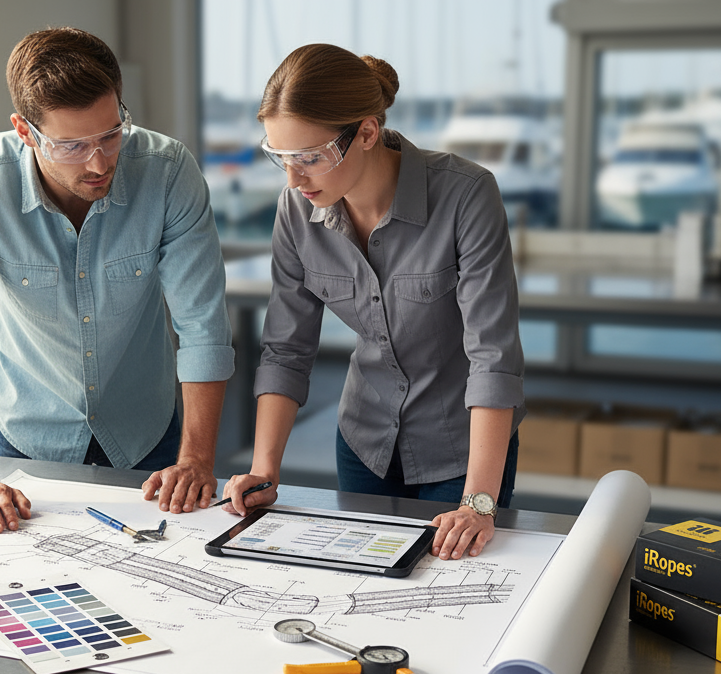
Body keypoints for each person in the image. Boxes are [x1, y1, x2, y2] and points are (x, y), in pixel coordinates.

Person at [0, 28, 233, 534]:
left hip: (147, 430)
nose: (99, 162)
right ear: (25, 131)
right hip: (30, 430)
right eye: (71, 145)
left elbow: (204, 327)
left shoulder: (169, 171)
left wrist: (196, 458)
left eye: (112, 134)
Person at [222, 44, 524, 560]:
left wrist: (479, 502)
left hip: (462, 452)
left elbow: (492, 355)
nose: (293, 179)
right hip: (363, 442)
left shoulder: (466, 194)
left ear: (365, 132)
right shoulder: (295, 210)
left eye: (310, 157)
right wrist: (265, 469)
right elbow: (285, 348)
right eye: (281, 158)